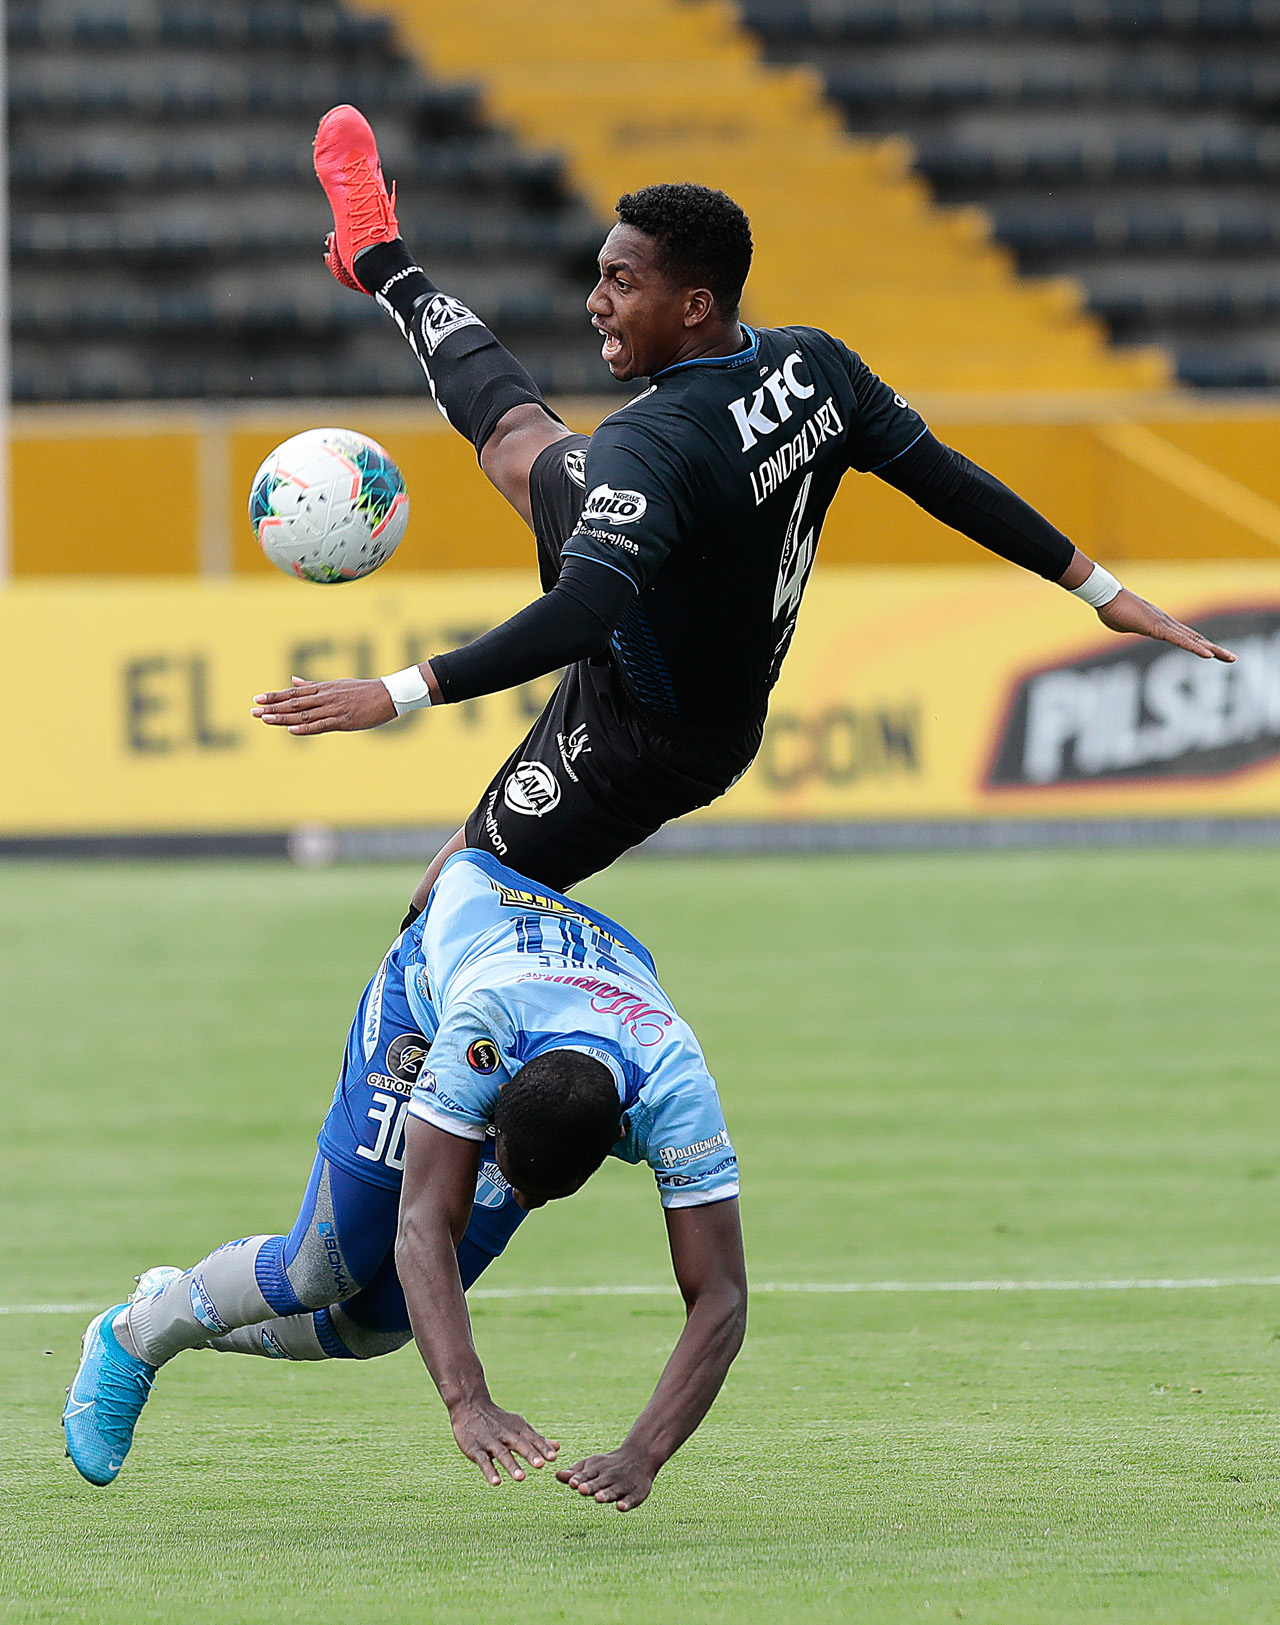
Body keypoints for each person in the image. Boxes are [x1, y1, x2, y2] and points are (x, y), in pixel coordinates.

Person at [253, 105, 1234, 916]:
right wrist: (1095, 588)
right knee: (516, 441)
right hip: (646, 586)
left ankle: (474, 1133)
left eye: (619, 281)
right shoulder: (816, 365)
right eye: (599, 273)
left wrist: (396, 690)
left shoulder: (649, 446)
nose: (594, 302)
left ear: (694, 305)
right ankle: (377, 251)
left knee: (440, 915)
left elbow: (581, 615)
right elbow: (942, 476)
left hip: (654, 734)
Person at [62, 850, 746, 1513]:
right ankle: (136, 1335)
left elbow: (720, 1294)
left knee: (383, 1321)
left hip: (580, 983)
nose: (527, 1201)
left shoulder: (676, 1091)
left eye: (545, 1195)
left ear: (620, 1141)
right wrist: (467, 1399)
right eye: (515, 1177)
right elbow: (420, 1224)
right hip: (430, 995)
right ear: (492, 1111)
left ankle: (183, 1303)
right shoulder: (480, 1033)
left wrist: (644, 1452)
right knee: (323, 1267)